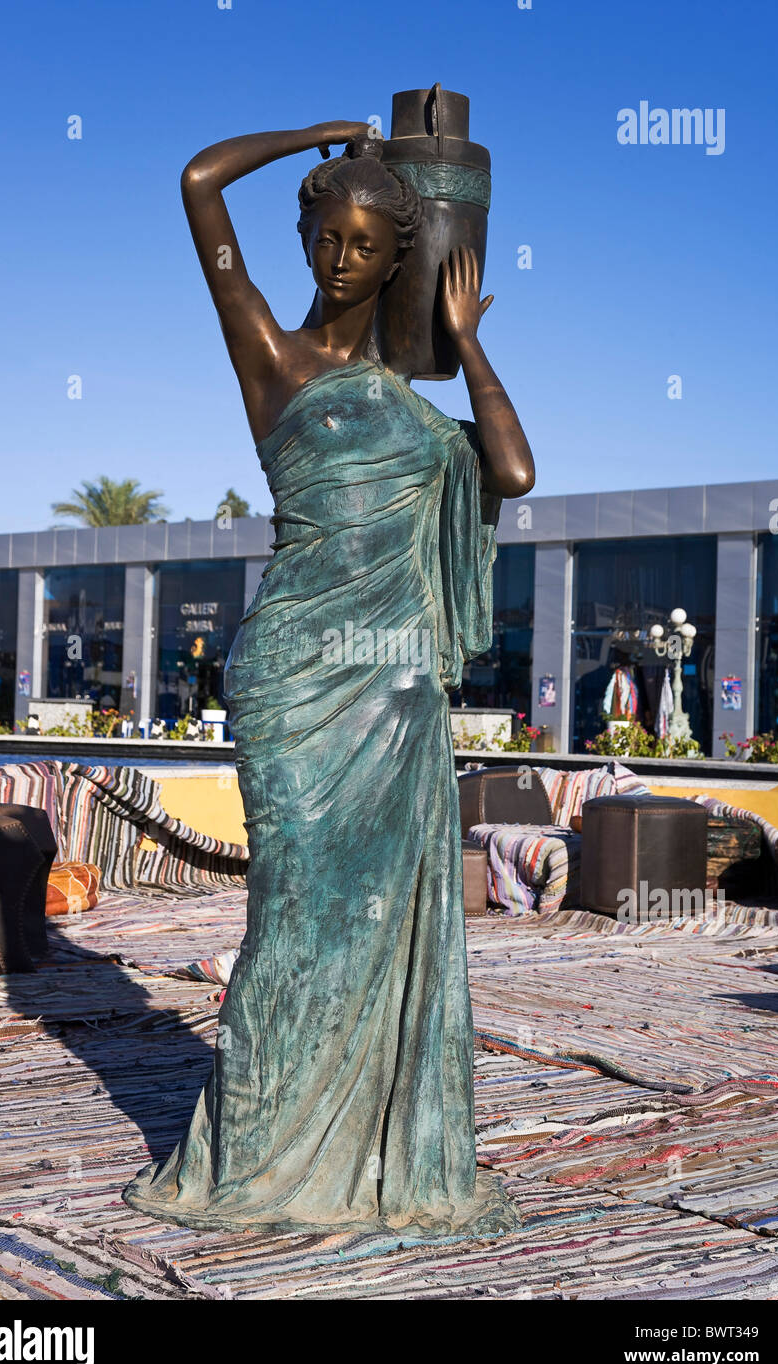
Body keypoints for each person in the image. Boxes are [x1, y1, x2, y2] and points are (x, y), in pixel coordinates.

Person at [123, 121, 534, 1239]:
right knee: (295, 920)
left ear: (395, 255)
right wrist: (320, 133)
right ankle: (258, 1152)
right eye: (323, 237)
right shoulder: (272, 355)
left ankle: (366, 1155)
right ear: (305, 237)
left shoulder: (416, 410)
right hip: (297, 682)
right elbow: (197, 180)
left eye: (361, 243)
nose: (338, 260)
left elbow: (512, 470)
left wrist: (464, 339)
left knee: (378, 926)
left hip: (393, 693)